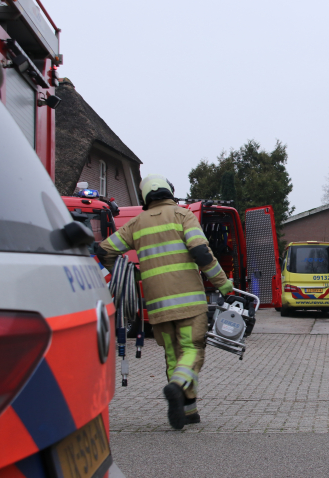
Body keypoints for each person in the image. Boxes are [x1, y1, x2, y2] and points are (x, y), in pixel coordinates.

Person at [97, 174, 234, 430]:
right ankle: (176, 387)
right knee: (192, 351)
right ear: (169, 191)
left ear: (145, 197)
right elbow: (201, 252)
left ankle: (188, 412)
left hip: (158, 306)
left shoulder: (136, 223)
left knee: (173, 356)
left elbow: (104, 250)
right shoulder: (183, 215)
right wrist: (224, 286)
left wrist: (130, 274)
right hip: (189, 303)